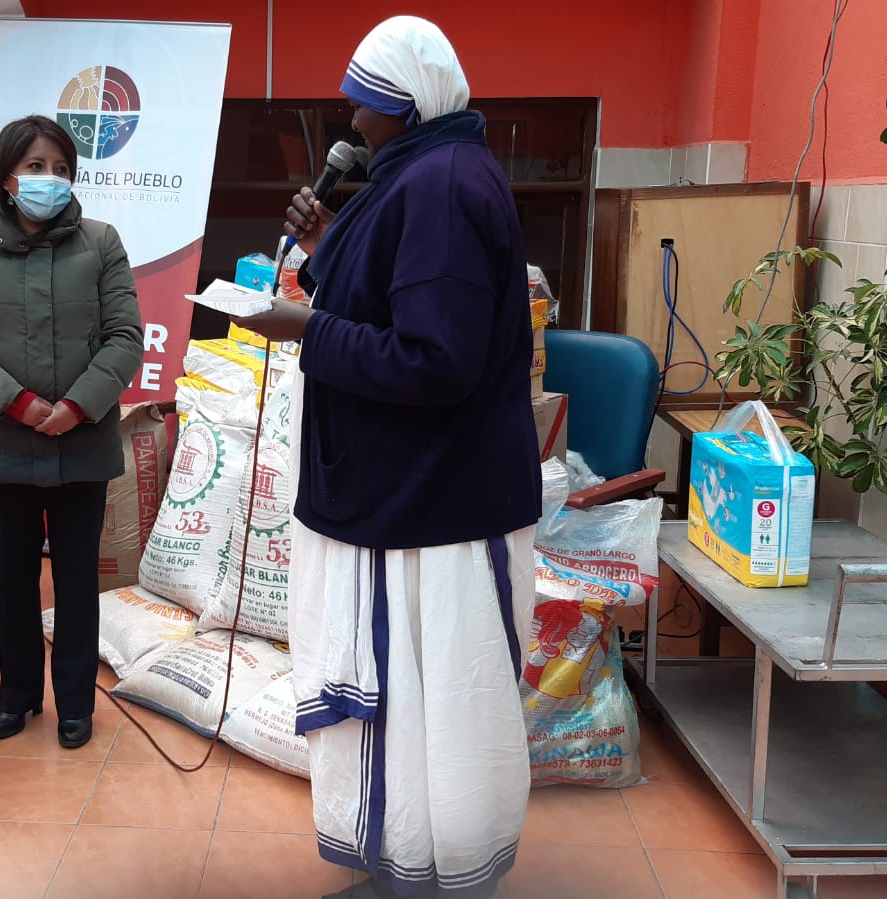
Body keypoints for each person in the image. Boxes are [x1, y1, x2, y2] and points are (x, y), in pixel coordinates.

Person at [233, 17, 541, 899]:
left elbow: (434, 361)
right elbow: (394, 300)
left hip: (437, 511)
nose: (351, 123)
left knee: (439, 708)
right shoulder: (415, 174)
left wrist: (307, 329)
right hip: (402, 497)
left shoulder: (440, 187)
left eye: (364, 108)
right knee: (404, 710)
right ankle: (406, 865)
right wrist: (330, 249)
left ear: (403, 109)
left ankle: (445, 876)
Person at [0, 115, 143, 750]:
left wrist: (76, 407)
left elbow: (125, 337)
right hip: (3, 442)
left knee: (78, 580)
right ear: (5, 175)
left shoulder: (101, 242)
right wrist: (19, 403)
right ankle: (18, 696)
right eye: (35, 167)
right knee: (15, 579)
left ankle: (75, 703)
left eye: (61, 168)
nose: (49, 179)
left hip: (82, 441)